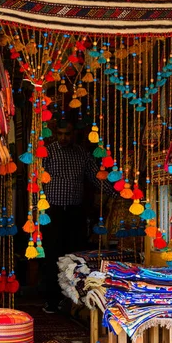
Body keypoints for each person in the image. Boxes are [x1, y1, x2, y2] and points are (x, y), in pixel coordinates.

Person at [40, 122, 115, 313]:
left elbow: (95, 176)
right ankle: (51, 299)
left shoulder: (82, 153)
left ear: (74, 133)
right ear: (55, 133)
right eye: (60, 132)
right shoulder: (47, 153)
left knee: (74, 256)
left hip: (75, 212)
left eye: (67, 133)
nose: (63, 137)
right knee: (52, 256)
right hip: (52, 212)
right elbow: (36, 180)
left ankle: (73, 301)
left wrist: (118, 189)